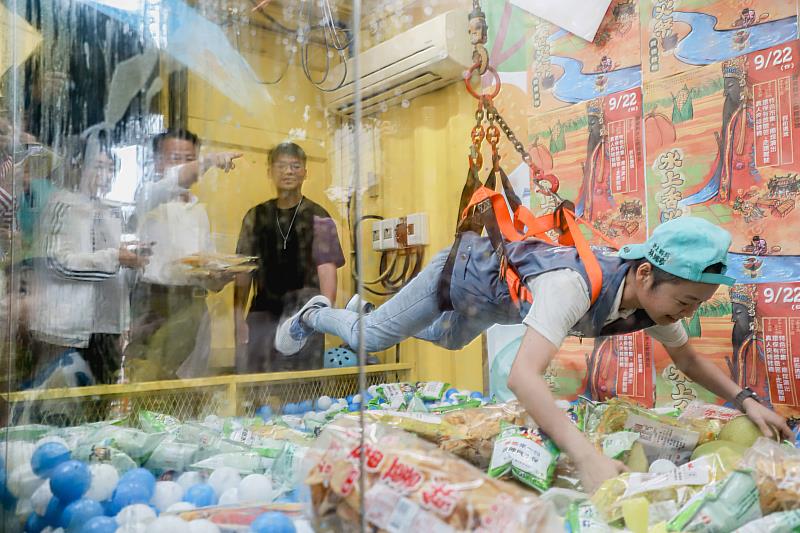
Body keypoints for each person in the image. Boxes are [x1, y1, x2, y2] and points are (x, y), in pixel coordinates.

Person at [275, 216, 793, 492]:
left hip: (491, 306)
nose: (683, 315)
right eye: (683, 302)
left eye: (694, 306)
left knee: (452, 339)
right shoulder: (574, 286)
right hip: (456, 276)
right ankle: (317, 313)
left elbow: (688, 361)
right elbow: (524, 379)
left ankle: (373, 313)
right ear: (644, 274)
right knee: (373, 340)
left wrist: (746, 400)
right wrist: (585, 456)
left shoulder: (650, 306)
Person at [29, 133, 148, 384]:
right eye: (99, 167)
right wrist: (115, 257)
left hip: (107, 330)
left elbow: (115, 271)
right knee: (60, 402)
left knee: (101, 406)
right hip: (66, 329)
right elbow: (56, 262)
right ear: (78, 166)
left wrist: (134, 261)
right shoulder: (61, 204)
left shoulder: (112, 212)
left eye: (111, 169)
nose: (105, 176)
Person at [126, 129, 241, 380]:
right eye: (175, 157)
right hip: (155, 302)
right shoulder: (147, 195)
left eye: (190, 158)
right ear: (157, 161)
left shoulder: (199, 208)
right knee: (149, 379)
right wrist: (208, 162)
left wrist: (218, 278)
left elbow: (204, 265)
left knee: (189, 382)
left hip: (194, 303)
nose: (184, 165)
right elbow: (173, 182)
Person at [234, 142, 345, 373]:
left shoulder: (319, 216)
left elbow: (327, 270)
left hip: (306, 315)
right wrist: (237, 317)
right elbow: (243, 271)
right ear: (270, 171)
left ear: (305, 172)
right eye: (282, 166)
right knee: (255, 386)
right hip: (262, 314)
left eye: (295, 166)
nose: (288, 172)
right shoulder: (256, 216)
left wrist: (324, 316)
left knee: (304, 386)